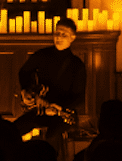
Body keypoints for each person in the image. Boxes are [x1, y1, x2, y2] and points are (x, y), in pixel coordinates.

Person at [12, 17, 86, 146]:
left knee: (52, 136)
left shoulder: (77, 65)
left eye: (64, 34)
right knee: (12, 130)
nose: (59, 37)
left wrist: (60, 107)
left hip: (63, 114)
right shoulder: (42, 55)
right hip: (41, 109)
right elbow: (24, 72)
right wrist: (26, 90)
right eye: (57, 33)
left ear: (72, 37)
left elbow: (79, 98)